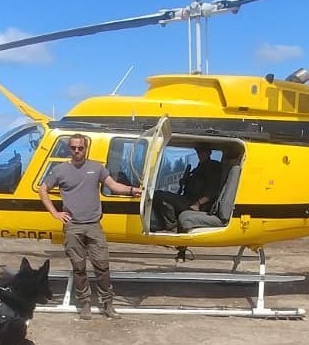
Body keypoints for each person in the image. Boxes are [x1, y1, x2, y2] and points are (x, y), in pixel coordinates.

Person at [39, 134, 142, 320]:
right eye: (73, 148)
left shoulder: (96, 168)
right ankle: (84, 303)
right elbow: (42, 189)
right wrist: (55, 213)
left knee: (102, 266)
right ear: (69, 149)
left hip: (94, 225)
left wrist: (133, 191)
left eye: (80, 148)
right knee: (78, 268)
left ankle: (108, 305)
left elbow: (114, 186)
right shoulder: (60, 170)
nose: (77, 151)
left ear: (86, 148)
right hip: (73, 227)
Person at [152, 143, 222, 231]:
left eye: (203, 151)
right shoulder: (200, 167)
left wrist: (198, 204)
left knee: (159, 196)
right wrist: (185, 181)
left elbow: (212, 191)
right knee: (157, 194)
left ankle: (172, 226)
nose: (200, 154)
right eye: (198, 152)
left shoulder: (213, 167)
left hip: (196, 204)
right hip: (188, 199)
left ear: (209, 153)